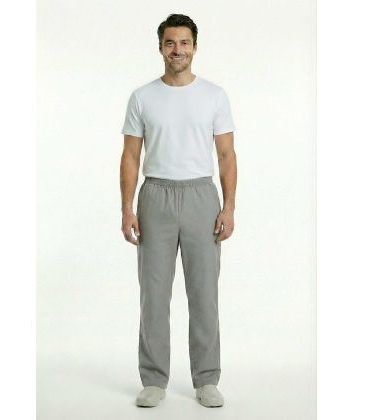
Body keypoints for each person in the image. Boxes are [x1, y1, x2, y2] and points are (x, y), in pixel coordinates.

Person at [120, 13, 237, 408]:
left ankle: (207, 379)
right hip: (155, 196)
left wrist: (229, 207)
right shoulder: (142, 97)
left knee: (204, 294)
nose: (177, 50)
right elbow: (131, 156)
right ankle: (154, 379)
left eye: (184, 43)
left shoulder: (214, 96)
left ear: (195, 47)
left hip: (201, 196)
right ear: (160, 47)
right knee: (153, 295)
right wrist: (127, 209)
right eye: (170, 43)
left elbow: (226, 155)